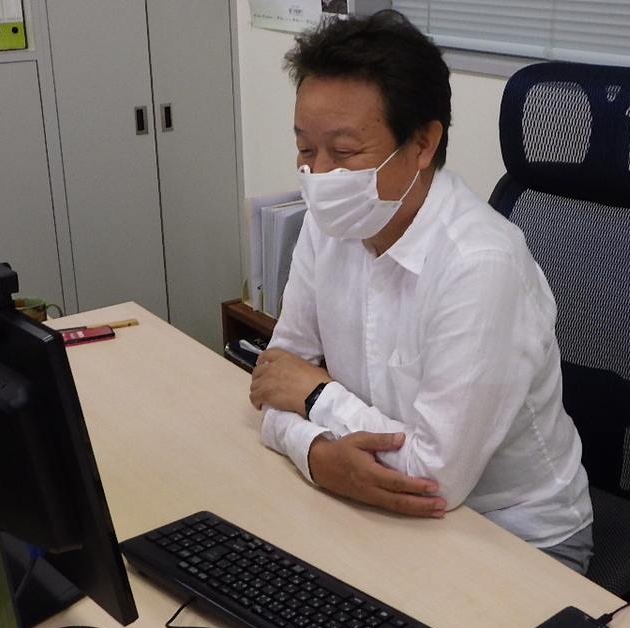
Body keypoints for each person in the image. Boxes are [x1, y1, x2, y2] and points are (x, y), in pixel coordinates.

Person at [248, 10, 594, 573]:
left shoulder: (480, 263)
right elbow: (273, 381)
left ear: (424, 143)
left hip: (514, 537)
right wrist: (317, 453)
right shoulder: (329, 224)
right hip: (375, 503)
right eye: (306, 150)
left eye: (344, 151)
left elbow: (433, 479)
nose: (320, 175)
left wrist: (315, 401)